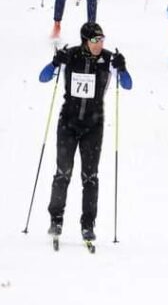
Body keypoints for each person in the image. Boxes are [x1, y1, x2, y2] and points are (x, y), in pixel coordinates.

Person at [39, 22, 132, 245]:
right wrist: (54, 63)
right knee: (63, 173)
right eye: (94, 40)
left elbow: (127, 85)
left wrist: (123, 67)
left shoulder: (109, 59)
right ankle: (56, 219)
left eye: (101, 40)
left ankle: (88, 224)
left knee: (90, 177)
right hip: (68, 123)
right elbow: (43, 78)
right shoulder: (70, 55)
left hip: (94, 125)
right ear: (84, 41)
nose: (99, 44)